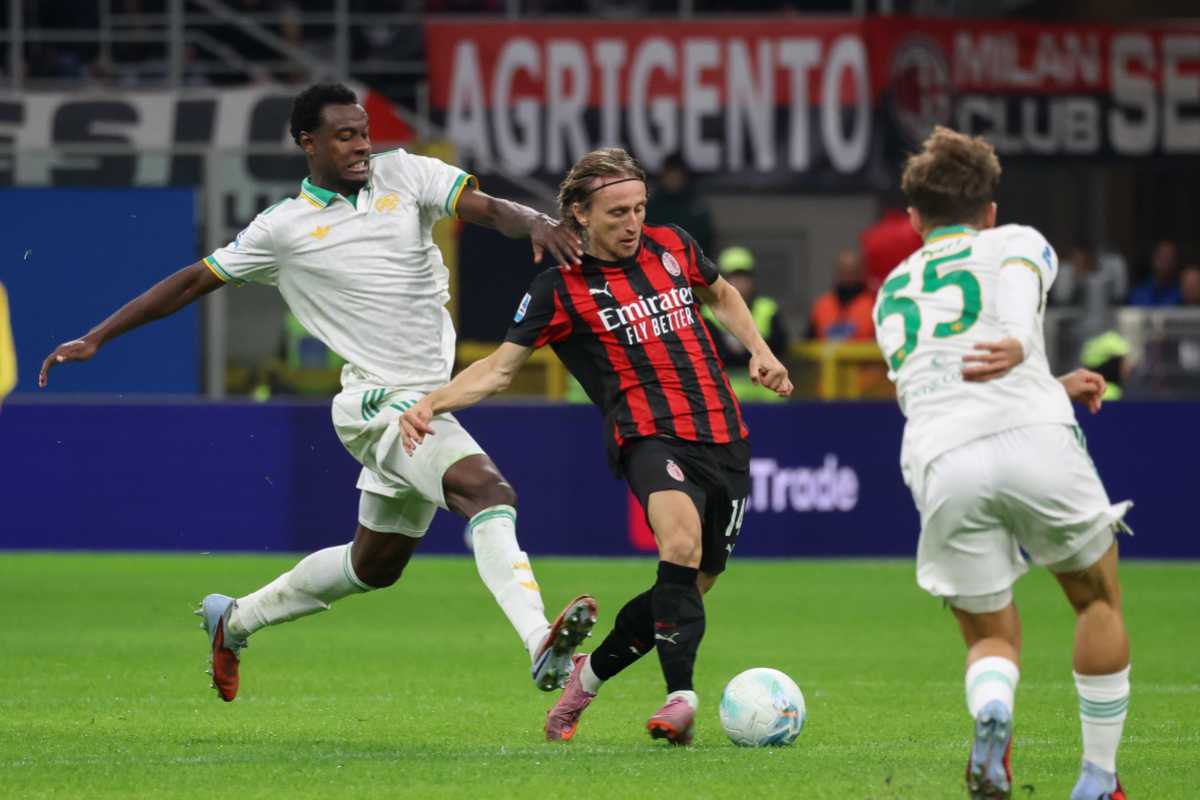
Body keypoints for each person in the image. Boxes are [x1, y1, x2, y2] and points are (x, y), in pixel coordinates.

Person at [39, 83, 597, 703]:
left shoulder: (405, 173)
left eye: (363, 132)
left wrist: (537, 222)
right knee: (489, 492)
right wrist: (97, 337)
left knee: (373, 566)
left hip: (426, 394)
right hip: (378, 404)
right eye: (345, 136)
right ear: (309, 143)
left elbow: (487, 207)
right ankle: (538, 639)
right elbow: (195, 279)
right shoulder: (283, 229)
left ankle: (235, 619)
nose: (362, 146)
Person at [397, 147, 793, 745]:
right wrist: (430, 403)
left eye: (638, 209)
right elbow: (500, 370)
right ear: (579, 214)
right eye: (616, 213)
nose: (632, 223)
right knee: (680, 545)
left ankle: (588, 677)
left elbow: (720, 295)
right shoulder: (560, 287)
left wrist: (761, 351)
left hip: (724, 433)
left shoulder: (673, 245)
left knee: (688, 584)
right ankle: (681, 698)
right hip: (648, 434)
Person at [874, 127, 1132, 800]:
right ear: (989, 210)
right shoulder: (1015, 240)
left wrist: (1047, 379)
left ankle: (993, 710)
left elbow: (946, 381)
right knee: (1096, 599)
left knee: (992, 635)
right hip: (1035, 439)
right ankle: (1098, 780)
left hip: (942, 457)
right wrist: (1023, 345)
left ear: (912, 219)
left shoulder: (891, 291)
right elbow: (1016, 287)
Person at [699, 245, 789, 402]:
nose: (740, 282)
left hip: (767, 390)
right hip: (728, 389)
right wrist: (755, 349)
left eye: (744, 276)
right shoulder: (707, 313)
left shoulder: (767, 308)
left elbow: (780, 345)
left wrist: (740, 348)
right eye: (734, 276)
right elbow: (713, 354)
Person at [645, 152, 714, 256]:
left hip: (689, 266)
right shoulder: (650, 208)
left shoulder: (696, 209)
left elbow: (706, 243)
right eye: (670, 175)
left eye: (677, 175)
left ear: (684, 177)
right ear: (663, 177)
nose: (673, 179)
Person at [808, 248, 875, 341]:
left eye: (852, 272)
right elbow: (808, 340)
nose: (847, 277)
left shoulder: (874, 306)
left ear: (860, 273)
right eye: (843, 271)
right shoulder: (822, 305)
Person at [861, 192, 924, 290]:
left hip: (884, 291)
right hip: (914, 287)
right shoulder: (917, 230)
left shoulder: (871, 236)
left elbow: (868, 273)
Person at [1128, 239, 1181, 306]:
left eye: (1169, 257)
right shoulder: (1138, 293)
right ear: (1153, 258)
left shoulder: (1181, 294)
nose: (1165, 261)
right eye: (1162, 256)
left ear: (1175, 262)